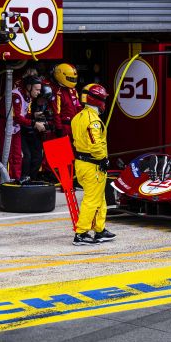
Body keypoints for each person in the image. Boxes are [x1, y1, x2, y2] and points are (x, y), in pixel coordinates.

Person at [71, 84, 115, 245]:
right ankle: (81, 233)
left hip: (82, 164)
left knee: (99, 198)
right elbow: (95, 145)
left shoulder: (78, 117)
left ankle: (99, 230)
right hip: (93, 166)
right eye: (103, 100)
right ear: (97, 100)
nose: (104, 103)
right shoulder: (93, 121)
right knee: (91, 200)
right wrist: (103, 159)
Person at [0, 74, 45, 180]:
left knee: (17, 155)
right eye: (37, 90)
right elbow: (17, 117)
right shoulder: (16, 96)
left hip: (14, 126)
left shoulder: (28, 96)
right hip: (1, 125)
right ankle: (7, 180)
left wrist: (34, 115)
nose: (39, 92)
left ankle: (16, 179)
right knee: (7, 155)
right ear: (29, 87)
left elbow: (24, 114)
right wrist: (34, 124)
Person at [53, 62, 82, 136]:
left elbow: (78, 106)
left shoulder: (74, 90)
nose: (73, 80)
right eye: (71, 79)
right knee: (62, 145)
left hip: (75, 126)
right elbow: (56, 112)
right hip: (64, 127)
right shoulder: (57, 93)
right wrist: (59, 128)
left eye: (74, 79)